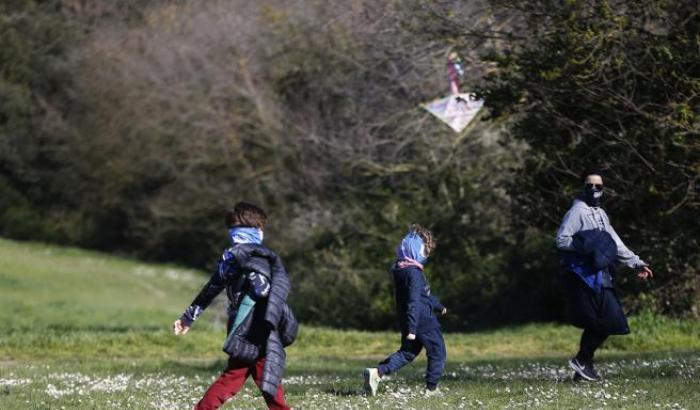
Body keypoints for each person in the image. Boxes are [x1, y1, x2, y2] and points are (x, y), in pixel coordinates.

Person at [172, 202, 297, 410]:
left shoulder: (230, 258)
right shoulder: (254, 258)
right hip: (251, 325)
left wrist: (188, 317)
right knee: (236, 374)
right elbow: (262, 290)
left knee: (267, 371)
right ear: (255, 231)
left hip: (244, 322)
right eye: (260, 229)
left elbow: (211, 288)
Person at [556, 169, 653, 382]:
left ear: (603, 189)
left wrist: (637, 263)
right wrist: (584, 244)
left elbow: (616, 244)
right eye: (589, 186)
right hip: (584, 277)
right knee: (599, 321)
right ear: (582, 188)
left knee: (613, 320)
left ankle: (582, 367)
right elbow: (561, 240)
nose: (594, 190)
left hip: (603, 275)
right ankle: (583, 362)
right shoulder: (577, 211)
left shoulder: (601, 214)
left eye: (598, 186)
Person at [363, 224, 447, 396]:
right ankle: (432, 388)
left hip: (409, 319)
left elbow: (422, 296)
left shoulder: (402, 270)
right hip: (422, 321)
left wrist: (438, 306)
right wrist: (412, 328)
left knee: (407, 353)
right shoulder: (414, 273)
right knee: (438, 351)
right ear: (416, 250)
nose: (427, 256)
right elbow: (414, 301)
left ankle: (377, 373)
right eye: (426, 251)